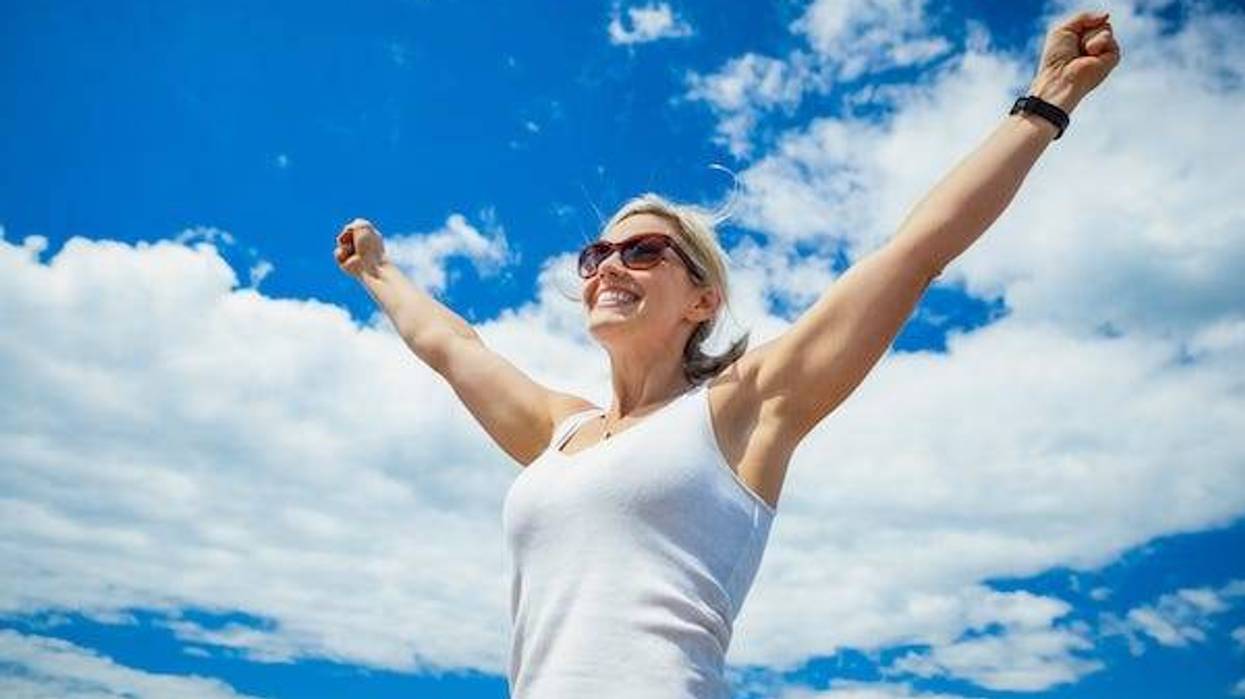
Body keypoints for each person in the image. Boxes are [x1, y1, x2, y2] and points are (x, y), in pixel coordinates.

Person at [333, 10, 1120, 697]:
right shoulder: (557, 432)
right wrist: (379, 271)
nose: (609, 265)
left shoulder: (740, 408)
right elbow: (451, 345)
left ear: (702, 299)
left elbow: (915, 252)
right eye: (596, 254)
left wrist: (1045, 100)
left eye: (643, 252)